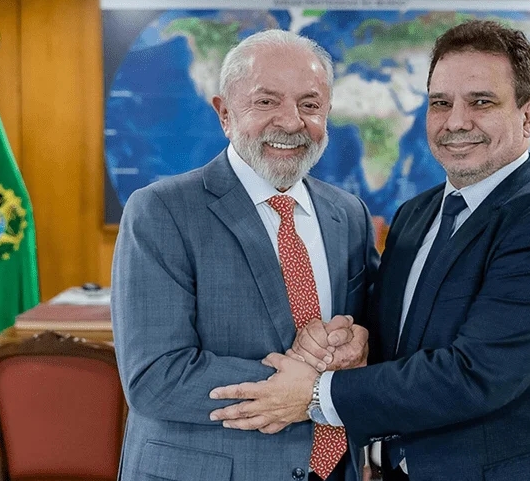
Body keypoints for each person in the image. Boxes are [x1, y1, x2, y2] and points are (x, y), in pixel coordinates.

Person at [208, 19, 530, 481]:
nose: (456, 121)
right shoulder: (415, 215)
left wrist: (315, 394)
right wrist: (349, 341)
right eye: (440, 103)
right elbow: (395, 341)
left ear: (527, 117)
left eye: (481, 102)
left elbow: (476, 374)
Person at [110, 29, 378, 481]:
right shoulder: (161, 211)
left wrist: (361, 344)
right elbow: (154, 376)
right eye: (266, 101)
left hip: (335, 468)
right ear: (225, 114)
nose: (291, 122)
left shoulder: (349, 213)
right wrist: (310, 392)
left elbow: (373, 330)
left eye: (310, 105)